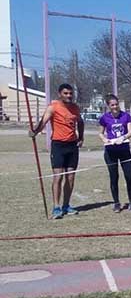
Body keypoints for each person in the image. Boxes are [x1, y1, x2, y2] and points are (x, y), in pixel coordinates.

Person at [28, 83, 84, 219]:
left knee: (70, 177)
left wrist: (81, 137)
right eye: (66, 93)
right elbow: (44, 121)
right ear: (60, 94)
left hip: (72, 146)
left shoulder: (75, 108)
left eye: (70, 93)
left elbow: (80, 122)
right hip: (58, 145)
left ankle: (66, 205)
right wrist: (35, 131)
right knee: (58, 177)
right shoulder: (53, 107)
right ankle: (56, 207)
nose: (69, 96)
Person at [99, 94, 131, 212]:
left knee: (129, 176)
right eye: (112, 105)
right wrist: (105, 139)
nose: (115, 107)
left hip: (124, 150)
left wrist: (123, 137)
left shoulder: (126, 116)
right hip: (111, 151)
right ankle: (116, 203)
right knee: (114, 177)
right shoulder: (104, 118)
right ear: (108, 105)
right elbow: (100, 133)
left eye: (116, 104)